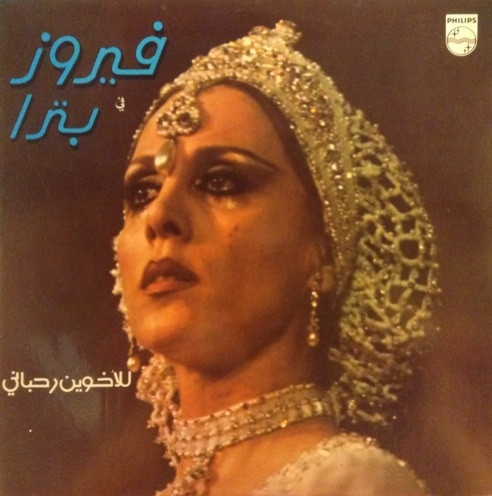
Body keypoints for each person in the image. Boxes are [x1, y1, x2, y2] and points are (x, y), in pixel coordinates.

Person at [111, 21, 439, 496]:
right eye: (142, 192)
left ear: (322, 252)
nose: (159, 215)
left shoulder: (352, 484)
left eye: (221, 182)